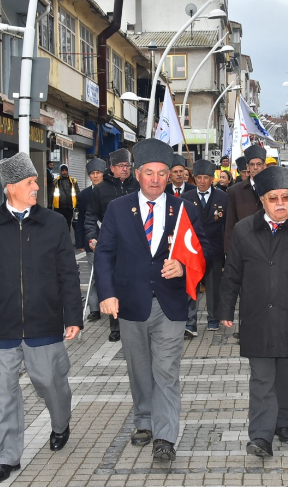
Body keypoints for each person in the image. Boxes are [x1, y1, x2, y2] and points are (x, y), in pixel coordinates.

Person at [0, 152, 82, 484]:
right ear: (11, 186)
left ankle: (60, 423)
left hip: (44, 322)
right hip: (1, 324)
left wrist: (72, 315)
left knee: (50, 382)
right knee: (3, 394)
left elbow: (68, 275)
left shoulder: (54, 223)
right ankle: (6, 457)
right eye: (31, 182)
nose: (36, 188)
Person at [94, 138, 210, 462]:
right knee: (139, 369)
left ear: (170, 175)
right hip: (130, 303)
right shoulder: (118, 209)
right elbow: (104, 254)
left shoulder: (184, 209)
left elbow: (204, 250)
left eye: (162, 173)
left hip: (170, 305)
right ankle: (143, 419)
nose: (156, 179)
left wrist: (184, 265)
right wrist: (107, 294)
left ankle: (165, 436)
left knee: (167, 370)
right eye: (149, 173)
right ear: (138, 174)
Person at [217, 166, 288, 458]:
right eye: (273, 198)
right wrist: (225, 309)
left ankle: (285, 421)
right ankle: (261, 436)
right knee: (262, 378)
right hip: (257, 317)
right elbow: (232, 275)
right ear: (262, 201)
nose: (281, 204)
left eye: (286, 198)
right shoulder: (243, 230)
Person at [85, 148, 140, 342]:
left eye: (127, 166)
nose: (125, 169)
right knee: (113, 283)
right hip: (111, 241)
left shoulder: (138, 185)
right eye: (121, 166)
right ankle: (115, 326)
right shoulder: (101, 189)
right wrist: (92, 237)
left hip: (136, 242)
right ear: (112, 168)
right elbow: (90, 216)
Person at [183, 159, 228, 332]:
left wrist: (225, 252)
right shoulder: (186, 198)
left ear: (212, 179)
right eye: (199, 177)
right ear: (194, 178)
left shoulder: (223, 197)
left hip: (215, 250)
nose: (202, 181)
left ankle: (213, 317)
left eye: (206, 177)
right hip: (192, 250)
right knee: (192, 286)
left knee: (214, 286)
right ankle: (190, 320)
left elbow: (225, 225)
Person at [76, 158, 106, 321]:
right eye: (92, 174)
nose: (95, 176)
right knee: (95, 275)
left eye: (98, 173)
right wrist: (81, 241)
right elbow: (81, 219)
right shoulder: (84, 195)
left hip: (109, 239)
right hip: (91, 240)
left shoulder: (110, 190)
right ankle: (94, 308)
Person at [225, 145, 267, 250]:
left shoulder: (273, 188)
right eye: (252, 164)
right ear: (247, 167)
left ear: (264, 166)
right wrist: (229, 252)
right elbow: (230, 223)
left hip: (269, 243)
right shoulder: (235, 191)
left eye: (259, 164)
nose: (255, 167)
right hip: (244, 245)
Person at [51, 164, 80, 236]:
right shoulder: (56, 181)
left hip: (69, 207)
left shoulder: (73, 181)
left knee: (68, 224)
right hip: (58, 207)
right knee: (59, 224)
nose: (64, 172)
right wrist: (50, 205)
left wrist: (78, 204)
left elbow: (77, 192)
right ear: (60, 171)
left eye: (65, 170)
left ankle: (66, 238)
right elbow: (51, 193)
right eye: (63, 170)